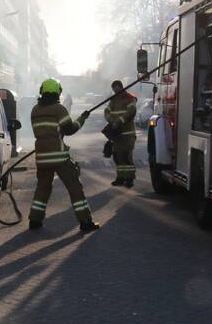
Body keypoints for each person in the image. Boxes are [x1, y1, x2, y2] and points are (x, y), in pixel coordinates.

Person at [28, 78, 99, 233]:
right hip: (59, 157)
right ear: (57, 92)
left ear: (42, 91)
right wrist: (82, 119)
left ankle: (34, 220)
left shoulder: (35, 110)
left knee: (42, 188)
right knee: (75, 187)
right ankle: (86, 222)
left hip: (41, 156)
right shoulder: (59, 109)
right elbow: (69, 129)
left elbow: (40, 132)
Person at [104, 80, 138, 187]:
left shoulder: (129, 98)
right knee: (117, 157)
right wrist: (110, 120)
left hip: (127, 133)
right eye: (114, 88)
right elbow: (106, 111)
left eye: (117, 88)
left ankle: (129, 179)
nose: (115, 90)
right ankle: (120, 178)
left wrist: (119, 121)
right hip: (116, 134)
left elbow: (131, 111)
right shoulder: (113, 100)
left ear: (121, 87)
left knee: (126, 156)